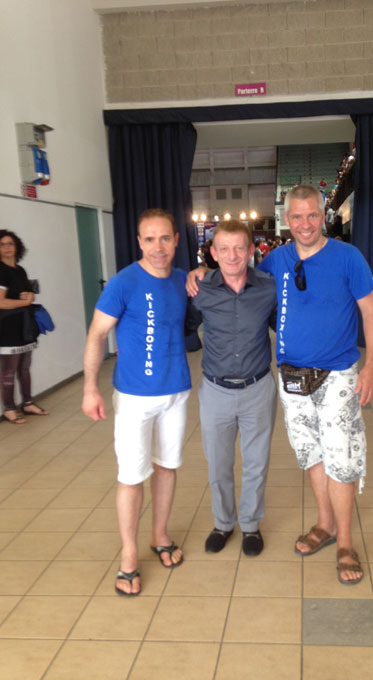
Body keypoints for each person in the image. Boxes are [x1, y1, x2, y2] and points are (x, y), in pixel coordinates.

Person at [258, 185, 373, 585]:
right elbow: (238, 281)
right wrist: (199, 274)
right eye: (297, 216)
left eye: (312, 215)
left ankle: (345, 541)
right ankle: (325, 524)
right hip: (292, 378)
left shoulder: (348, 257)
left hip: (338, 375)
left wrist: (372, 366)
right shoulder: (275, 260)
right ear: (286, 219)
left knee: (341, 459)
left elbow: (372, 313)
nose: (305, 224)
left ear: (324, 215)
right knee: (310, 453)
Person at [82, 208, 191, 597]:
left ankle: (159, 535)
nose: (158, 247)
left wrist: (201, 273)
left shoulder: (182, 280)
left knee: (167, 468)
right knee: (131, 476)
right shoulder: (123, 283)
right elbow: (97, 334)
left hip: (176, 392)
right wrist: (90, 388)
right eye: (149, 239)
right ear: (139, 242)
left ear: (176, 240)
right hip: (133, 397)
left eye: (165, 238)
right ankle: (129, 554)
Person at [186, 220, 277, 556]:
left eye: (239, 247)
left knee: (256, 464)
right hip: (216, 392)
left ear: (251, 250)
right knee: (218, 464)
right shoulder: (200, 289)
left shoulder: (268, 287)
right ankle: (223, 523)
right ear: (212, 252)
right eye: (224, 248)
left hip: (258, 388)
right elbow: (180, 326)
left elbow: (286, 327)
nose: (232, 255)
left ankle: (250, 526)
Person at [0, 229, 49, 424]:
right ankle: (9, 408)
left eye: (10, 243)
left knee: (25, 368)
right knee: (9, 370)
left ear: (17, 246)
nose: (7, 247)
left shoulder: (20, 270)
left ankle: (27, 403)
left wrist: (28, 297)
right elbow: (1, 302)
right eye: (2, 244)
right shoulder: (0, 271)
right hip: (7, 328)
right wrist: (24, 301)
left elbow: (30, 294)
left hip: (24, 326)